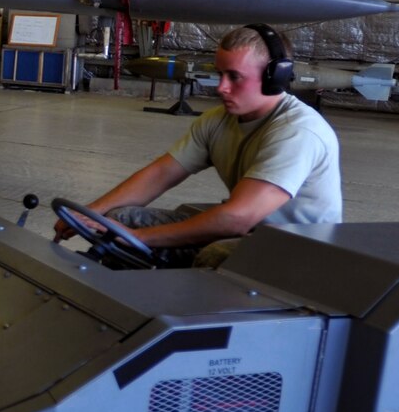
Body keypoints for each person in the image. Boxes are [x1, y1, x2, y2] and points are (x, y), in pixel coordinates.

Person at [61, 24, 341, 269]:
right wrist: (90, 214)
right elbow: (160, 175)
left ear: (274, 78)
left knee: (215, 255)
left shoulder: (298, 131)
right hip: (248, 234)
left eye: (234, 77)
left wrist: (141, 238)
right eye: (219, 74)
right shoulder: (218, 121)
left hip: (299, 250)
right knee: (120, 219)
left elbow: (236, 218)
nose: (221, 87)